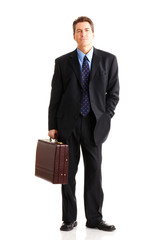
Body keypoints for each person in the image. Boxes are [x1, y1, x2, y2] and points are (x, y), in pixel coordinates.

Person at [48, 16, 119, 231]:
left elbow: (113, 94)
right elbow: (55, 96)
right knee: (67, 173)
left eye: (87, 30)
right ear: (73, 36)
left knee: (94, 172)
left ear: (93, 33)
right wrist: (52, 125)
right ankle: (69, 218)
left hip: (94, 125)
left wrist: (105, 116)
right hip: (67, 125)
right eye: (79, 31)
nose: (83, 34)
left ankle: (95, 219)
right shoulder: (62, 62)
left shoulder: (109, 60)